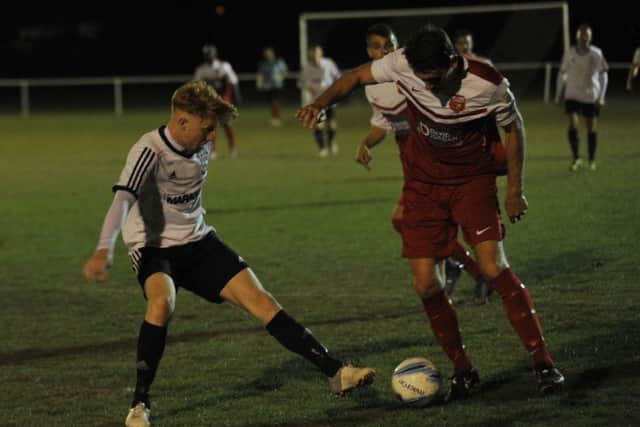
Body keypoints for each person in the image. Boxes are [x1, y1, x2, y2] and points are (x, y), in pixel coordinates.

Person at [83, 80, 375, 427]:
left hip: (198, 240)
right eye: (206, 129)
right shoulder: (149, 149)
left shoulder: (201, 144)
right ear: (181, 122)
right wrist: (104, 248)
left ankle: (336, 372)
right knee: (162, 303)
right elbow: (122, 199)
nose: (210, 138)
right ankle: (139, 405)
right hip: (152, 244)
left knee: (262, 302)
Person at [298, 24, 564, 401]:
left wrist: (515, 189)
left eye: (435, 79)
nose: (429, 87)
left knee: (493, 267)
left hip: (472, 179)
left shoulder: (487, 82)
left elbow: (514, 128)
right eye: (422, 80)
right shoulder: (401, 62)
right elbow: (357, 76)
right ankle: (463, 369)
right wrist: (319, 104)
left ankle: (543, 362)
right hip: (424, 185)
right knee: (425, 284)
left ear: (452, 61)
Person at [356, 23, 490, 305]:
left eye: (390, 44)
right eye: (378, 46)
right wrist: (366, 143)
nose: (385, 51)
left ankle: (477, 271)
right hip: (412, 162)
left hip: (434, 158)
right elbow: (383, 123)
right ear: (369, 50)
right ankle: (468, 269)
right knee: (412, 222)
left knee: (415, 220)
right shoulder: (372, 86)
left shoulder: (412, 74)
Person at [555, 24, 608, 171]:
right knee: (572, 124)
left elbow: (604, 74)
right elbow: (562, 73)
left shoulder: (596, 53)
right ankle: (576, 158)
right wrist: (559, 92)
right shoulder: (570, 52)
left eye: (587, 35)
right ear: (577, 36)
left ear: (590, 37)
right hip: (572, 94)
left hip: (590, 95)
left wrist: (601, 96)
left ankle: (591, 159)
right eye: (581, 34)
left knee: (591, 127)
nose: (584, 37)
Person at [194, 44, 242, 159]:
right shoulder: (201, 70)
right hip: (210, 101)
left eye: (210, 54)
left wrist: (237, 96)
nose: (209, 57)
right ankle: (213, 151)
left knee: (227, 124)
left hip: (224, 100)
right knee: (211, 126)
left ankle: (232, 148)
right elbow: (196, 86)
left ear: (215, 54)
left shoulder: (224, 66)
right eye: (207, 55)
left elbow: (233, 81)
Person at [298, 45, 341, 157]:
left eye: (318, 53)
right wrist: (307, 87)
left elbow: (338, 76)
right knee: (318, 125)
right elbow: (301, 82)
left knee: (331, 124)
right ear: (310, 55)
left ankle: (331, 143)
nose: (316, 56)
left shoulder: (328, 64)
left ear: (321, 54)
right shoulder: (307, 68)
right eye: (314, 54)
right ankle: (322, 149)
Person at [257, 46, 288, 127]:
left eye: (269, 53)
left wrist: (280, 77)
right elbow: (260, 74)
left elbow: (285, 71)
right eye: (266, 54)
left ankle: (276, 119)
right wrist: (259, 83)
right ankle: (274, 118)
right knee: (272, 103)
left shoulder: (279, 62)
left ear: (273, 53)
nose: (268, 55)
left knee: (275, 102)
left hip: (277, 86)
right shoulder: (263, 64)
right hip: (268, 86)